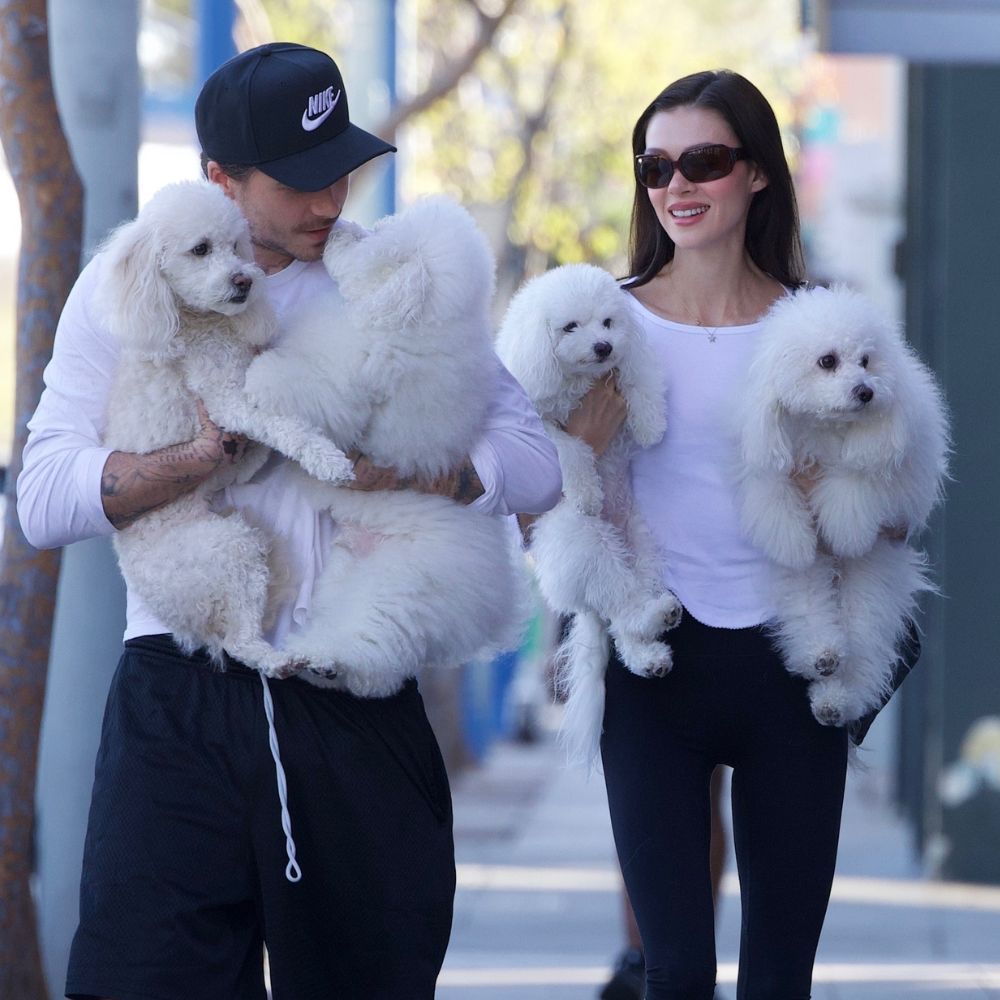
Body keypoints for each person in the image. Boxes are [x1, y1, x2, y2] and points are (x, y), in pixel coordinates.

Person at [17, 42, 561, 1000]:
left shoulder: (386, 278)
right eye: (300, 180)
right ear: (218, 178)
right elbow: (45, 498)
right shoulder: (129, 287)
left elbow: (534, 460)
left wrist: (425, 473)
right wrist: (185, 464)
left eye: (341, 169)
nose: (330, 200)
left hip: (351, 699)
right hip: (178, 702)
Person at [558, 70, 848, 998]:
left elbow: (896, 503)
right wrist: (574, 450)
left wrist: (830, 490)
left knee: (779, 979)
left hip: (791, 669)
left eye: (704, 162)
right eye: (655, 167)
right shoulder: (604, 321)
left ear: (758, 173)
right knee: (672, 972)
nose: (676, 186)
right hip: (656, 669)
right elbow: (529, 504)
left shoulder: (821, 330)